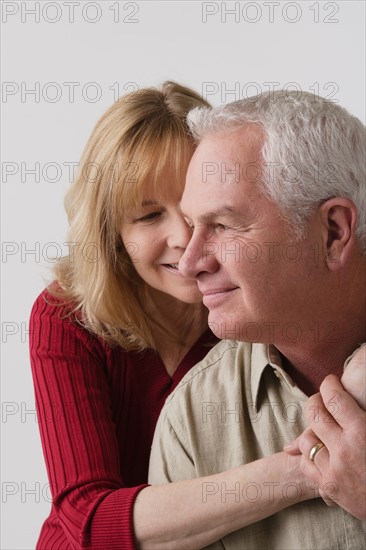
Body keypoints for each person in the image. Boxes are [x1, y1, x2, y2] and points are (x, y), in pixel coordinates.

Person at [29, 83, 319, 550]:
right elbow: (90, 521)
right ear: (111, 234)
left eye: (198, 210)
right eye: (148, 217)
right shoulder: (66, 318)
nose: (186, 239)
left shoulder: (255, 302)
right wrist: (300, 471)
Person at [149, 90, 366, 549]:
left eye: (223, 226)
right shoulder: (190, 419)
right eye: (193, 226)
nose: (189, 263)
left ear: (333, 232)